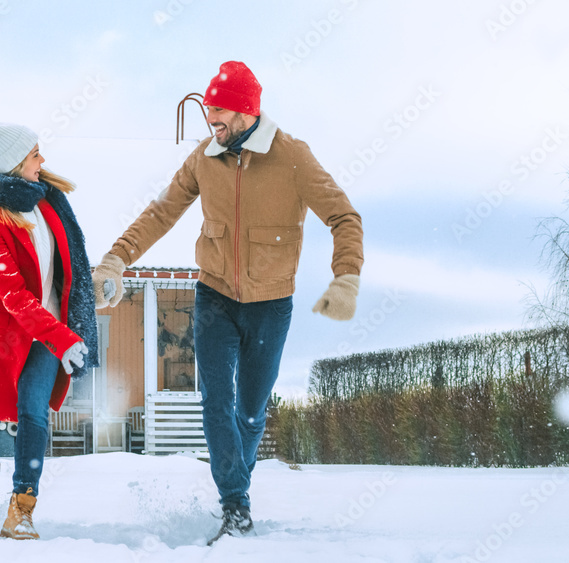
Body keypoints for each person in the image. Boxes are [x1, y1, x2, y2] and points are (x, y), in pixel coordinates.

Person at [92, 61, 364, 544]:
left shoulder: (292, 157)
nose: (211, 124)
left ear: (246, 112)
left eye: (219, 115)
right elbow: (161, 212)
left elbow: (344, 216)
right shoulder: (204, 157)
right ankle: (235, 506)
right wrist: (116, 258)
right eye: (208, 116)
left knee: (251, 413)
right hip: (214, 296)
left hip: (271, 304)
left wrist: (345, 277)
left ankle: (237, 484)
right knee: (216, 403)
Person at [0, 108, 98, 540]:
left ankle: (22, 506)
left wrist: (84, 304)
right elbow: (14, 296)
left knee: (33, 414)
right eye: (35, 155)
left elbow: (73, 265)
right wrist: (64, 337)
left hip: (46, 332)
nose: (42, 161)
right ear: (15, 162)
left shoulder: (50, 202)